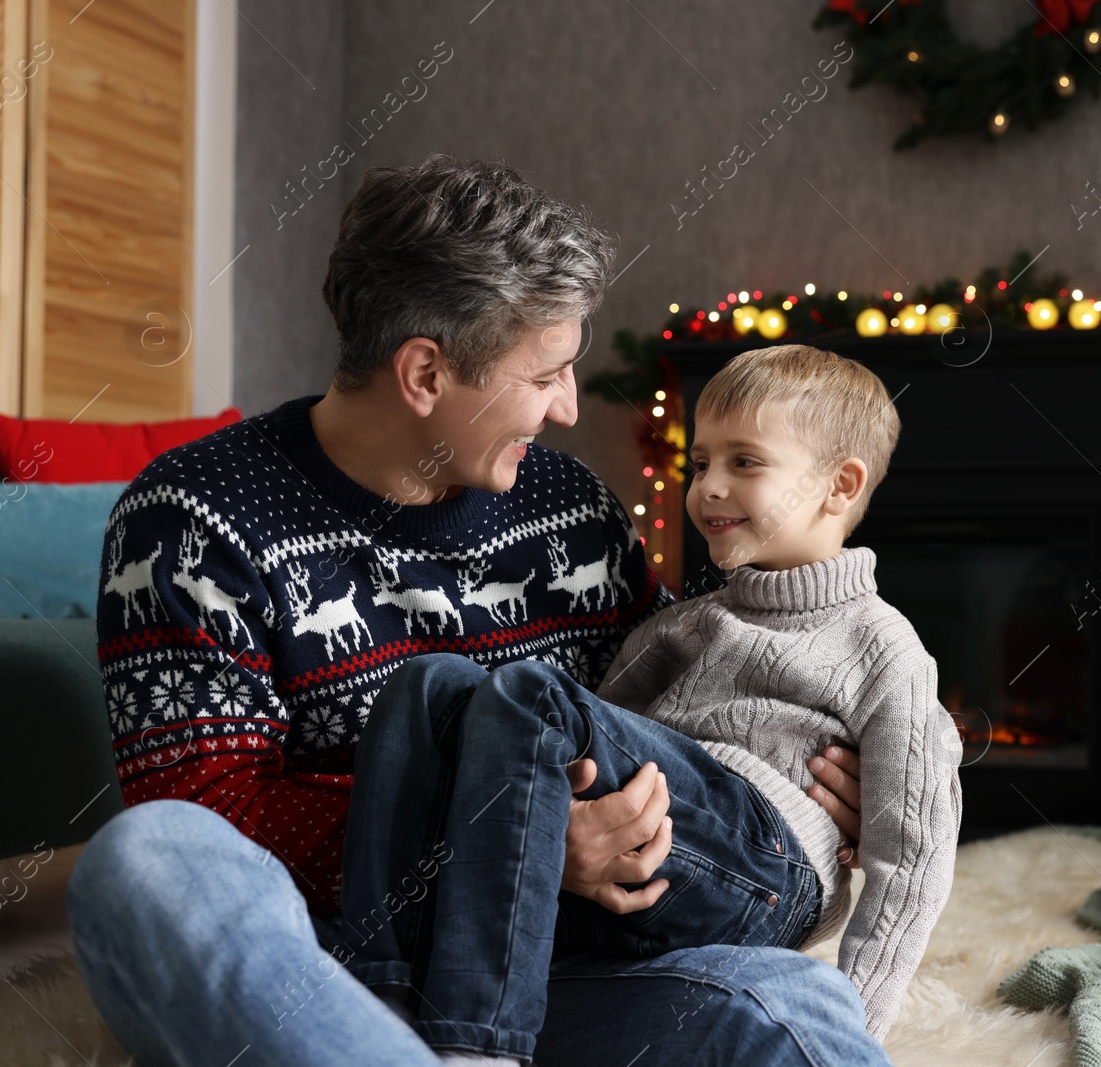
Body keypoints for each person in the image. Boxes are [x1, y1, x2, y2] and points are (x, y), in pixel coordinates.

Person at [66, 155, 887, 1067]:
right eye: (547, 375)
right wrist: (512, 841)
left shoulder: (567, 506)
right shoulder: (191, 519)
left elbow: (671, 696)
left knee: (791, 1001)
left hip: (546, 972)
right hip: (328, 967)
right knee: (147, 859)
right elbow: (219, 812)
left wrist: (819, 770)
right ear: (425, 373)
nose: (570, 409)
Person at [337, 344, 963, 1061]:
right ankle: (380, 994)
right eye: (700, 464)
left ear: (839, 485)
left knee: (528, 691)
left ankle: (477, 1042)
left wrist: (857, 1019)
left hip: (766, 869)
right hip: (656, 851)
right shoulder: (680, 625)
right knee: (430, 683)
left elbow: (913, 852)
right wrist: (551, 817)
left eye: (745, 462)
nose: (709, 488)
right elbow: (593, 736)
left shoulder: (884, 647)